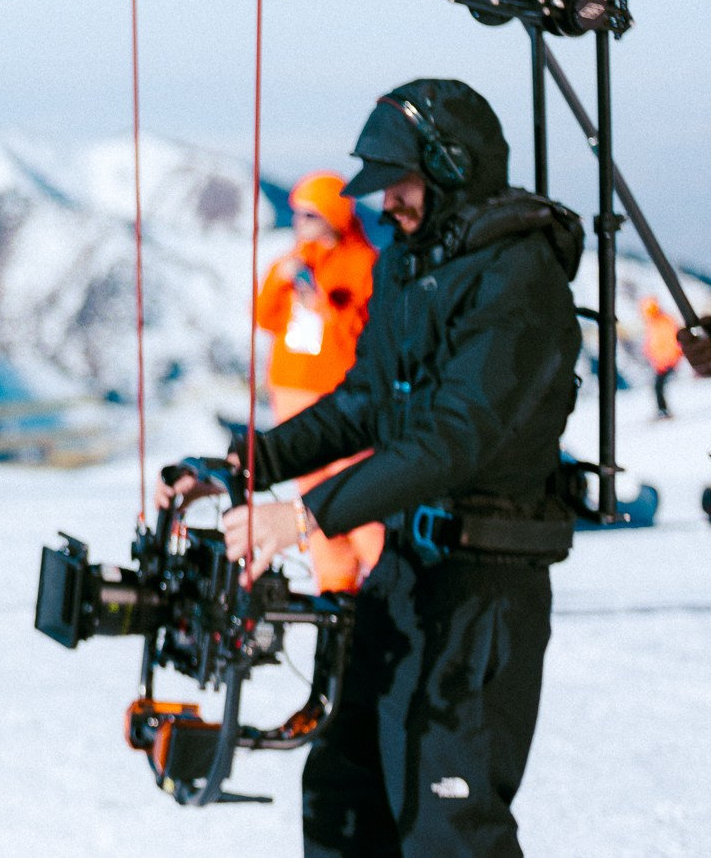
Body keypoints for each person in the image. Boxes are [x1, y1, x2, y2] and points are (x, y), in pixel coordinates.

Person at [163, 79, 582, 857]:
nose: (384, 202)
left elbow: (455, 437)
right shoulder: (411, 264)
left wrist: (304, 513)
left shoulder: (518, 279)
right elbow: (363, 402)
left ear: (454, 167)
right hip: (404, 575)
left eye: (400, 182)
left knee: (447, 822)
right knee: (343, 788)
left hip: (483, 587)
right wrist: (244, 463)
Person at [254, 171, 382, 591]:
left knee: (358, 490)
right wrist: (280, 278)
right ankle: (335, 586)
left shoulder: (363, 264)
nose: (300, 222)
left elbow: (366, 333)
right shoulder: (296, 259)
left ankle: (386, 574)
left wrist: (324, 304)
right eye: (297, 213)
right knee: (311, 498)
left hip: (340, 398)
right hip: (290, 393)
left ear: (333, 215)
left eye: (310, 214)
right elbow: (265, 317)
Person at [640, 296, 682, 420]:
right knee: (658, 387)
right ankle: (662, 410)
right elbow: (653, 344)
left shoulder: (664, 322)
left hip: (666, 362)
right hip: (660, 363)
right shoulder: (654, 323)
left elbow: (671, 343)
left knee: (658, 387)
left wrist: (668, 361)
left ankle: (663, 411)